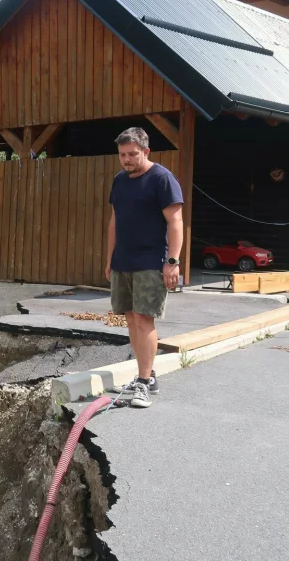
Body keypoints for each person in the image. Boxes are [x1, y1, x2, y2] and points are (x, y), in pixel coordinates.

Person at [105, 127, 184, 408]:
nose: (126, 160)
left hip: (151, 262)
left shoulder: (162, 179)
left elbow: (176, 222)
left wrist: (172, 262)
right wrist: (109, 259)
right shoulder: (119, 181)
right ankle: (146, 376)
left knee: (143, 319)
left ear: (146, 151)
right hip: (123, 261)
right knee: (129, 319)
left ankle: (143, 382)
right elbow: (115, 221)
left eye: (132, 154)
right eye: (122, 155)